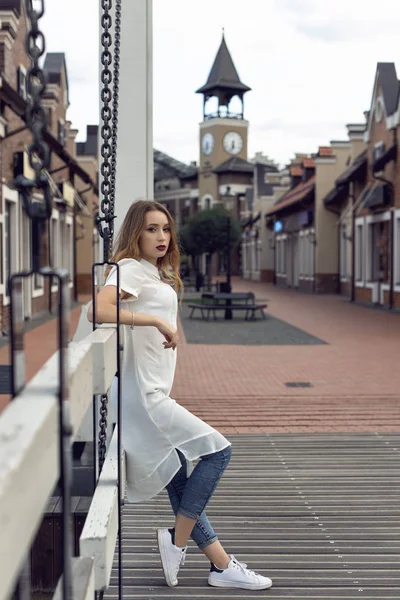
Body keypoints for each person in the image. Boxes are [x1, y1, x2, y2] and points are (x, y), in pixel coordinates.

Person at [88, 200, 272, 591]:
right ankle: (177, 540)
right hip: (146, 397)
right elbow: (98, 310)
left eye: (166, 229)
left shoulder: (154, 272)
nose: (161, 237)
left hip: (151, 390)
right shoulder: (128, 269)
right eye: (151, 229)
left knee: (176, 475)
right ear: (135, 232)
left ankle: (221, 567)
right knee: (218, 452)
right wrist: (153, 319)